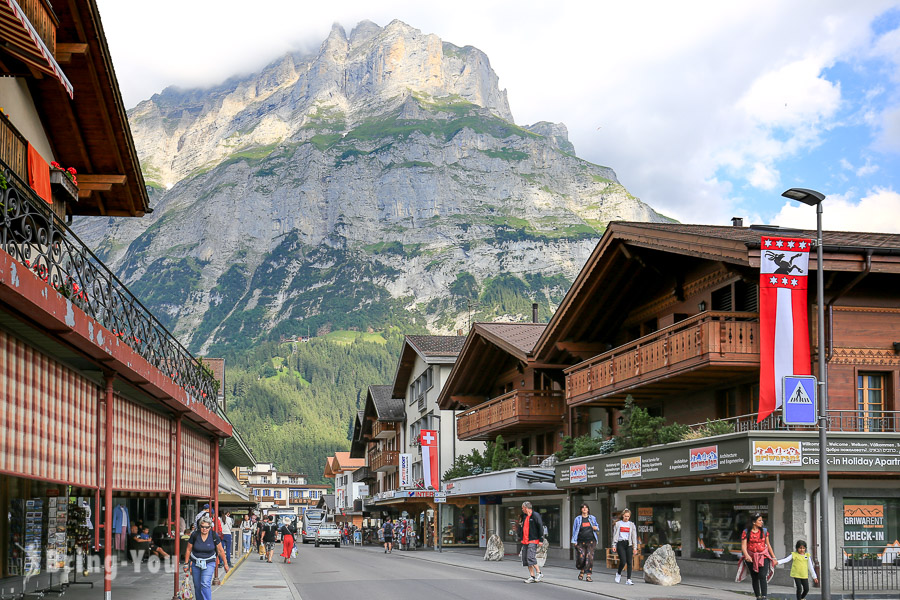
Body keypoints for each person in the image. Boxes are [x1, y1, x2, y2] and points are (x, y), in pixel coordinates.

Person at [183, 517, 229, 600]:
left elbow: (221, 551)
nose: (204, 529)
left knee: (205, 583)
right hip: (195, 562)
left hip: (209, 562)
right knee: (197, 585)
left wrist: (225, 564)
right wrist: (186, 563)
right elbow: (188, 549)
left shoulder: (214, 535)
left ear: (210, 527)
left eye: (207, 527)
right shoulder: (195, 535)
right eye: (202, 527)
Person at [737, 513, 776, 600]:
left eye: (762, 520)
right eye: (760, 520)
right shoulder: (746, 532)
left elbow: (768, 545)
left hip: (763, 556)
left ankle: (764, 597)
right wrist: (747, 556)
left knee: (762, 575)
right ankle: (758, 596)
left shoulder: (764, 531)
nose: (762, 522)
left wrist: (773, 557)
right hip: (751, 557)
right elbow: (743, 546)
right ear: (754, 522)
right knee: (754, 577)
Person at [571, 504, 599, 582]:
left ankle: (588, 575)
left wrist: (596, 528)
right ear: (581, 510)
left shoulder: (592, 518)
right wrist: (574, 541)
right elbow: (574, 530)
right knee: (581, 557)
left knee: (589, 557)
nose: (584, 509)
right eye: (583, 507)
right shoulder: (577, 519)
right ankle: (582, 570)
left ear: (588, 509)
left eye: (586, 507)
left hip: (591, 541)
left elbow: (597, 527)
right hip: (580, 541)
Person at [519, 501, 544, 583]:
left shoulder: (535, 516)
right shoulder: (525, 516)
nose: (522, 510)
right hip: (525, 540)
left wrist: (541, 540)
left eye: (523, 508)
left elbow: (540, 527)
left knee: (530, 557)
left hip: (533, 540)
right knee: (526, 558)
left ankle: (539, 573)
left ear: (526, 508)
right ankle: (532, 576)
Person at [613, 508, 638, 585]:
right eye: (625, 516)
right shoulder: (618, 524)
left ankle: (629, 579)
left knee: (629, 562)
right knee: (623, 561)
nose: (626, 517)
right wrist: (614, 545)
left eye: (628, 516)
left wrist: (635, 547)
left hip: (629, 543)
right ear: (623, 516)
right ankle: (618, 573)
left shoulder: (631, 525)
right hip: (621, 543)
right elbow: (615, 535)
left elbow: (634, 536)